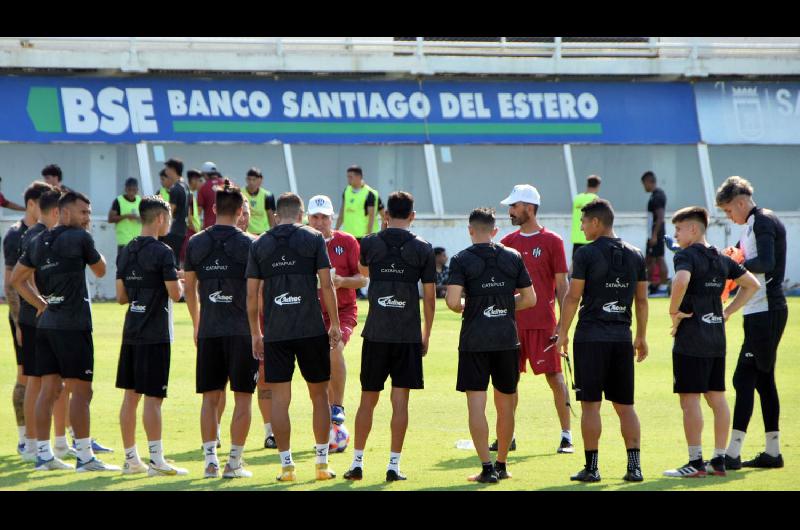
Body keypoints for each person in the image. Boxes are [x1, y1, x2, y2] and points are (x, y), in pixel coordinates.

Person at [13, 191, 119, 472]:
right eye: (83, 212)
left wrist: (40, 304)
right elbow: (100, 270)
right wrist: (91, 244)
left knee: (49, 390)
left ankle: (44, 456)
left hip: (46, 325)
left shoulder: (38, 241)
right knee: (82, 392)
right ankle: (85, 457)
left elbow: (16, 279)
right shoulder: (80, 238)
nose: (87, 218)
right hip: (73, 326)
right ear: (65, 212)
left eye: (88, 212)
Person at [246, 192, 341, 482]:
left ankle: (286, 467)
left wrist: (255, 333)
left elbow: (251, 294)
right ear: (300, 214)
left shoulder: (260, 242)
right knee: (320, 397)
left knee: (279, 399)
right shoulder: (313, 238)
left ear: (276, 215)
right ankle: (322, 465)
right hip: (311, 330)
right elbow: (326, 285)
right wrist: (334, 323)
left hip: (276, 333)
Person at [344, 191, 436, 482]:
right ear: (413, 215)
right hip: (408, 335)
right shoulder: (423, 248)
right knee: (400, 402)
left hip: (376, 334)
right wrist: (427, 333)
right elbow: (431, 299)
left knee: (367, 400)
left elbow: (363, 270)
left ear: (385, 215)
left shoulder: (369, 242)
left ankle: (357, 462)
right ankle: (393, 466)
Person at [555, 198, 649, 483]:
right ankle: (634, 468)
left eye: (583, 222)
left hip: (591, 339)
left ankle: (592, 468)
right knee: (625, 405)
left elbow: (573, 296)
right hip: (622, 338)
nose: (581, 227)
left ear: (596, 222)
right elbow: (642, 301)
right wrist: (641, 336)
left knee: (591, 405)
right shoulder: (636, 254)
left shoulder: (585, 254)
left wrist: (562, 332)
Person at [663, 206, 759, 478]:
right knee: (717, 398)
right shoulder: (720, 257)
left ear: (693, 229)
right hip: (716, 338)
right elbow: (752, 284)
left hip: (691, 338)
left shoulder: (686, 256)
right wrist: (727, 312)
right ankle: (718, 460)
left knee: (689, 399)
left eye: (679, 229)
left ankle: (695, 462)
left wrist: (673, 311)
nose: (676, 235)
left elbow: (681, 280)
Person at [445, 207, 536, 484]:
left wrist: (468, 307)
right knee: (506, 404)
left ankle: (486, 468)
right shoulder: (513, 256)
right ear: (495, 231)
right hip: (506, 340)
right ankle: (503, 464)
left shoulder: (461, 259)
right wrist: (505, 306)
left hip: (474, 341)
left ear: (471, 230)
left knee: (477, 405)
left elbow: (452, 302)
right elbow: (530, 299)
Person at [184, 181, 259, 479]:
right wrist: (257, 331)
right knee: (243, 398)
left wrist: (196, 323)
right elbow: (257, 294)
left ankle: (210, 462)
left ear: (214, 209)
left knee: (209, 398)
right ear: (241, 211)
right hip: (242, 331)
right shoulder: (251, 244)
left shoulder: (196, 242)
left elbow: (188, 288)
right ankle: (234, 463)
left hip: (209, 330)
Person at [715, 176, 788, 470]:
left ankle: (732, 454)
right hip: (757, 311)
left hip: (767, 311)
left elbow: (766, 263)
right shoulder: (750, 226)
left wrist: (733, 267)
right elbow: (732, 260)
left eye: (729, 211)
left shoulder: (762, 222)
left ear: (741, 202)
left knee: (744, 379)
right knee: (763, 380)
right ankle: (772, 453)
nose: (729, 217)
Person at [115, 195, 186, 476]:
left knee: (130, 397)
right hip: (156, 333)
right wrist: (178, 280)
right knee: (153, 398)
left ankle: (131, 459)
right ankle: (156, 460)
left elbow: (121, 296)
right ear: (160, 219)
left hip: (131, 330)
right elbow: (175, 294)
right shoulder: (163, 251)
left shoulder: (127, 249)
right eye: (168, 218)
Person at [497, 184, 572, 454]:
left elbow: (563, 286)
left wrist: (563, 325)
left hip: (543, 325)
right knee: (508, 382)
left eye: (514, 206)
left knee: (555, 378)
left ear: (529, 208)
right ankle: (508, 436)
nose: (510, 211)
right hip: (511, 326)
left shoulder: (553, 241)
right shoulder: (507, 243)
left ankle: (566, 435)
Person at [11, 188, 76, 465]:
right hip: (37, 318)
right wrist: (41, 305)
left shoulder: (34, 234)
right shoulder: (37, 235)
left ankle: (51, 444)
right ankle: (37, 447)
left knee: (50, 382)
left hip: (36, 317)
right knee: (38, 382)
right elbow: (24, 277)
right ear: (54, 211)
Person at [307, 194, 367, 430]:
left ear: (332, 218)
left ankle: (337, 407)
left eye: (324, 217)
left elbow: (362, 279)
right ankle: (329, 424)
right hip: (311, 313)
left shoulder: (348, 241)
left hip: (342, 310)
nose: (320, 221)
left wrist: (340, 281)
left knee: (334, 348)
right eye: (315, 217)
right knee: (320, 369)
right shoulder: (302, 242)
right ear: (308, 218)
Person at [3, 181, 53, 456]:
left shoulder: (46, 233)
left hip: (44, 316)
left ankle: (53, 438)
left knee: (48, 378)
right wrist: (18, 322)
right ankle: (25, 438)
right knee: (25, 376)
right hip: (25, 317)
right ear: (32, 203)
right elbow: (10, 282)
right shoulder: (16, 235)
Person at [641, 171, 669, 295]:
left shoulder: (658, 196)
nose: (644, 187)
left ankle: (662, 287)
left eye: (644, 184)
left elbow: (660, 217)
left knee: (659, 258)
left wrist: (654, 235)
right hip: (651, 234)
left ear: (649, 182)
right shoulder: (653, 195)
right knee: (649, 260)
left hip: (656, 234)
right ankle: (651, 285)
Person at [335, 165, 380, 241]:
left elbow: (371, 217)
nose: (348, 179)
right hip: (348, 235)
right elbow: (342, 213)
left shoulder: (369, 193)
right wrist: (335, 231)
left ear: (359, 177)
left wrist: (368, 235)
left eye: (350, 177)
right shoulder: (346, 191)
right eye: (347, 177)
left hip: (362, 236)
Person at [162, 158, 189, 268]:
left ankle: (172, 283)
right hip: (182, 229)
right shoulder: (185, 186)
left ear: (173, 169)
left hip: (173, 230)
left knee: (170, 261)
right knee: (176, 259)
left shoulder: (175, 188)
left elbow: (170, 211)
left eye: (167, 168)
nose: (166, 171)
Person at [108, 177, 142, 260]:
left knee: (138, 268)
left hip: (138, 241)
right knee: (123, 267)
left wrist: (139, 218)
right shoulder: (118, 201)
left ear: (137, 190)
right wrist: (126, 216)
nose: (131, 193)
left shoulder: (140, 201)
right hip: (124, 241)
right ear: (125, 189)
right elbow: (110, 219)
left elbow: (146, 218)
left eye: (133, 190)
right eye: (129, 190)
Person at [571, 175, 601, 259]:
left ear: (587, 184)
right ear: (598, 186)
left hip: (576, 239)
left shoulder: (577, 198)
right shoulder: (595, 199)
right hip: (589, 238)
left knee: (576, 266)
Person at [242, 167, 276, 236]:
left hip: (263, 234)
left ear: (260, 180)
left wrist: (272, 232)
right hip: (247, 233)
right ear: (246, 179)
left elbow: (271, 216)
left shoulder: (267, 195)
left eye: (254, 179)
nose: (251, 182)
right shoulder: (241, 193)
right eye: (249, 179)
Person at [197, 162, 225, 229]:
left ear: (206, 175)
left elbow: (198, 211)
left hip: (210, 228)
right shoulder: (226, 184)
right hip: (227, 226)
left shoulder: (203, 187)